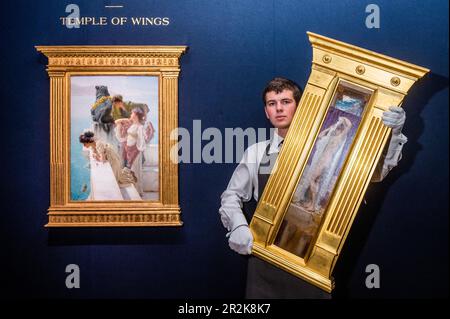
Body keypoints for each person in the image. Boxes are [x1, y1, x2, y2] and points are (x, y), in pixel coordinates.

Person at [218, 77, 408, 298]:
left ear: (300, 106)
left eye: (286, 101)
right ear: (266, 112)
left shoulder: (330, 149)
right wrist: (238, 226)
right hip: (264, 263)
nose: (279, 108)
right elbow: (231, 196)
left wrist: (394, 134)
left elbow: (375, 174)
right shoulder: (257, 152)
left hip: (312, 264)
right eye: (272, 103)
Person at [114, 108, 149, 195]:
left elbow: (141, 141)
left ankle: (138, 191)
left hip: (135, 152)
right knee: (131, 171)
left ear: (136, 115)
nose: (130, 115)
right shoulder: (132, 125)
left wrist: (136, 150)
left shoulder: (140, 127)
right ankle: (134, 190)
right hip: (129, 150)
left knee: (135, 171)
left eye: (132, 113)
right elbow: (124, 137)